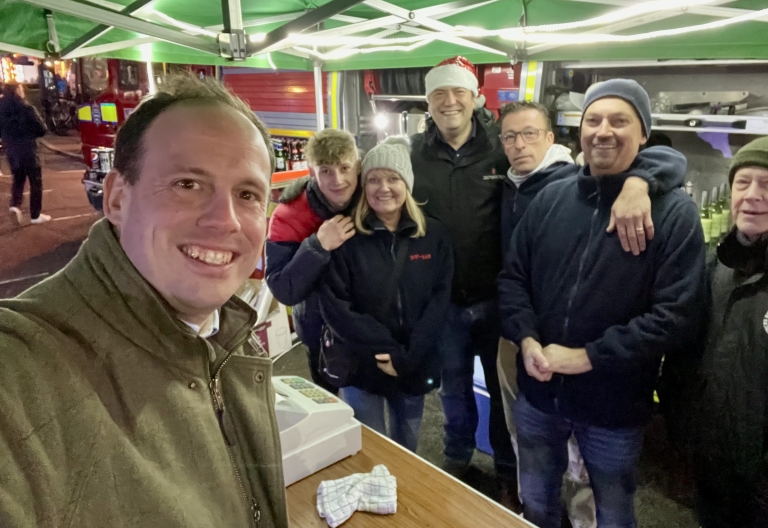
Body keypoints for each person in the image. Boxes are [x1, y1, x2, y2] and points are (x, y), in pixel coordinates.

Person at [0, 74, 288, 527]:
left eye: (248, 194)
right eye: (187, 184)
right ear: (116, 197)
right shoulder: (22, 367)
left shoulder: (226, 335)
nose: (224, 220)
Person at [498, 78, 707, 527]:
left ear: (644, 134)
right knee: (535, 498)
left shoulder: (672, 213)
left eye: (619, 120)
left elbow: (677, 316)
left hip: (614, 404)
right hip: (539, 392)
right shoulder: (550, 197)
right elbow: (514, 278)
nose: (603, 131)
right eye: (593, 120)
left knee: (612, 510)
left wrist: (588, 357)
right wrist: (527, 338)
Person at [668, 136, 768, 528]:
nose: (751, 195)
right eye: (742, 183)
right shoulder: (722, 262)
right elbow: (692, 351)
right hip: (711, 468)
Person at [319, 136, 453, 452]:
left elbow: (439, 300)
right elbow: (336, 306)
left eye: (393, 178)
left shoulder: (433, 235)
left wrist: (407, 357)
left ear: (407, 183)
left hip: (412, 363)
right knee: (368, 451)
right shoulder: (346, 234)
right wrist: (387, 350)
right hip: (362, 365)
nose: (384, 187)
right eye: (374, 179)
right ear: (363, 186)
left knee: (407, 449)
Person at [265, 128, 361, 394]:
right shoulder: (289, 214)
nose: (338, 180)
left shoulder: (373, 199)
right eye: (326, 170)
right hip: (321, 335)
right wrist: (317, 246)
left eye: (344, 168)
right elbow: (283, 288)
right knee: (332, 416)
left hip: (373, 329)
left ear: (358, 166)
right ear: (312, 172)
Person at [0, 82, 50, 225]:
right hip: (29, 150)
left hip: (11, 151)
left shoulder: (2, 110)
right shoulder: (27, 108)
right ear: (17, 91)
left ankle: (14, 205)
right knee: (36, 182)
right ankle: (35, 215)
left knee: (18, 179)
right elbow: (42, 129)